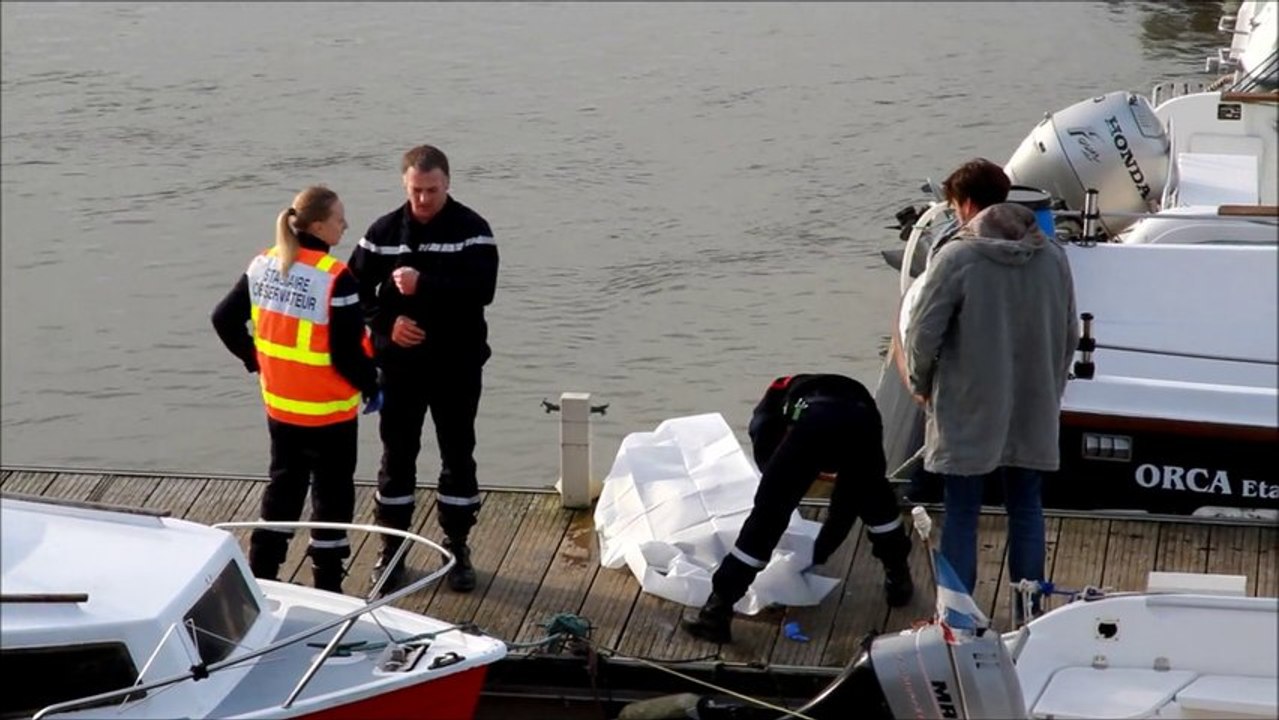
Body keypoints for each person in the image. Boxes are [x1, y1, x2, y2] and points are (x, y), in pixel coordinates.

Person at [900, 158, 1079, 624]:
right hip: (1033, 403)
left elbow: (923, 334)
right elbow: (1069, 333)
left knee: (962, 510)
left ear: (966, 204)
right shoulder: (1053, 255)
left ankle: (958, 618)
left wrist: (920, 385)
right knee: (1026, 506)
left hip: (968, 404)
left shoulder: (958, 257)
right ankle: (1029, 611)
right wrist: (1052, 387)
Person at [212, 186, 381, 594]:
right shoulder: (334, 276)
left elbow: (223, 319)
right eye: (340, 218)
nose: (345, 224)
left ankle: (262, 581)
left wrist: (255, 360)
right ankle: (327, 588)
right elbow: (344, 351)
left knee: (282, 493)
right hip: (329, 412)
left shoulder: (264, 265)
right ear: (319, 225)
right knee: (332, 502)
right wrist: (373, 385)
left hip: (282, 408)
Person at [347, 144, 499, 593]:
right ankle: (391, 553)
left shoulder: (474, 231)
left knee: (457, 453)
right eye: (416, 190)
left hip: (457, 364)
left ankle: (458, 549)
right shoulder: (382, 232)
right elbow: (352, 292)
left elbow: (482, 290)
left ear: (448, 184)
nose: (424, 200)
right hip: (399, 368)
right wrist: (387, 324)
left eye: (432, 190)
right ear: (404, 185)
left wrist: (423, 284)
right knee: (397, 457)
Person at [682, 373, 914, 644]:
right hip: (862, 425)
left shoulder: (778, 394)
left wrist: (777, 482)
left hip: (814, 427)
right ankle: (899, 580)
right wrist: (822, 550)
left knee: (765, 522)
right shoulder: (860, 403)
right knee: (878, 505)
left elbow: (763, 435)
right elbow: (845, 505)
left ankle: (716, 613)